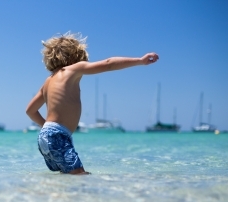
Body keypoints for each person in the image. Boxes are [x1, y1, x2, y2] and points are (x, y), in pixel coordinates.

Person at [26, 32, 159, 175]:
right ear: (77, 55)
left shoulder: (48, 81)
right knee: (79, 175)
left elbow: (30, 110)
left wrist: (47, 128)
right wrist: (139, 60)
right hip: (58, 135)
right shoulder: (74, 68)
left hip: (44, 137)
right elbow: (108, 64)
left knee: (67, 177)